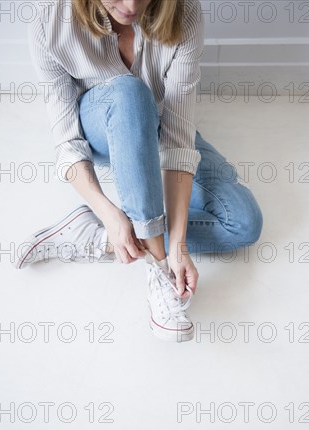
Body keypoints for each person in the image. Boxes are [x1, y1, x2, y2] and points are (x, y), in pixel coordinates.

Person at [16, 0, 263, 342]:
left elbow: (178, 137)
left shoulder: (184, 12)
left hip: (162, 126)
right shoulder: (50, 21)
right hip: (104, 129)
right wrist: (110, 211)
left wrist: (179, 243)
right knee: (129, 92)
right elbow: (68, 144)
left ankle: (94, 235)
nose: (131, 5)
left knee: (244, 224)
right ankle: (158, 270)